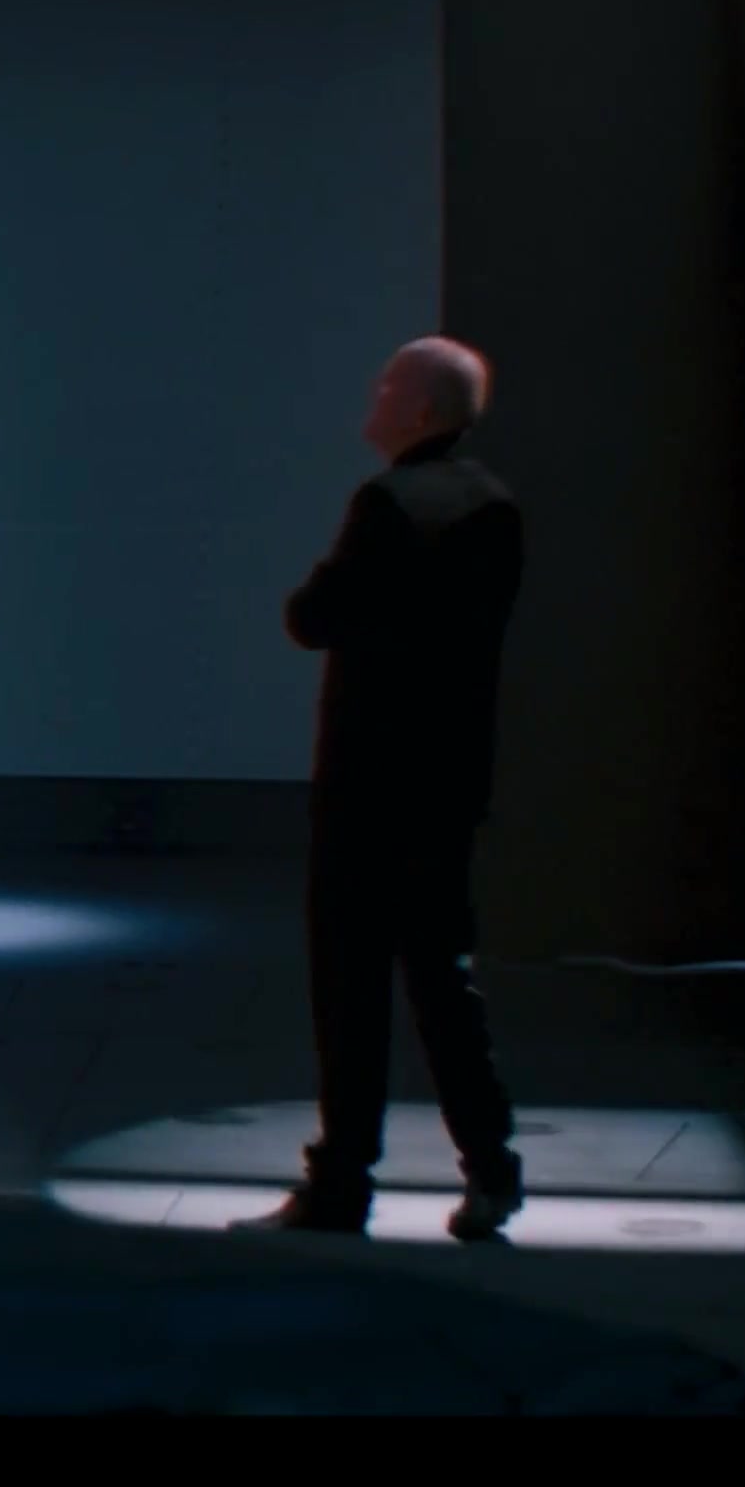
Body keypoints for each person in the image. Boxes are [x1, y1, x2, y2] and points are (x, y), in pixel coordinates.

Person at [244, 337, 526, 1242]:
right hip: (448, 779)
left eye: (389, 384)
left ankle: (341, 1186)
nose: (375, 393)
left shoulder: (389, 504)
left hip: (368, 782)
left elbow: (311, 616)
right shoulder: (493, 505)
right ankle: (492, 1168)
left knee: (351, 988)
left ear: (420, 410)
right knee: (443, 981)